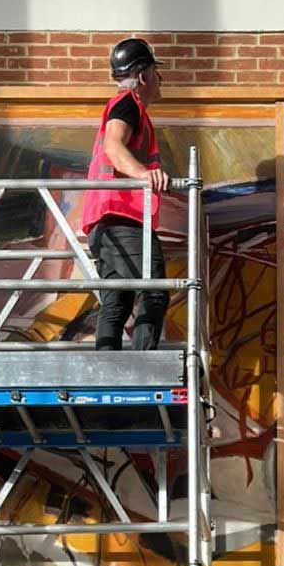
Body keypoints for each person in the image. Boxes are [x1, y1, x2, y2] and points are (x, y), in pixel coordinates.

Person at [83, 36, 171, 351]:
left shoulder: (125, 107)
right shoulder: (127, 104)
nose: (161, 79)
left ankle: (108, 372)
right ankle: (141, 366)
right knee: (155, 290)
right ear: (144, 75)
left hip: (102, 222)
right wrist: (144, 174)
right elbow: (113, 145)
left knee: (117, 300)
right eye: (157, 72)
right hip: (122, 217)